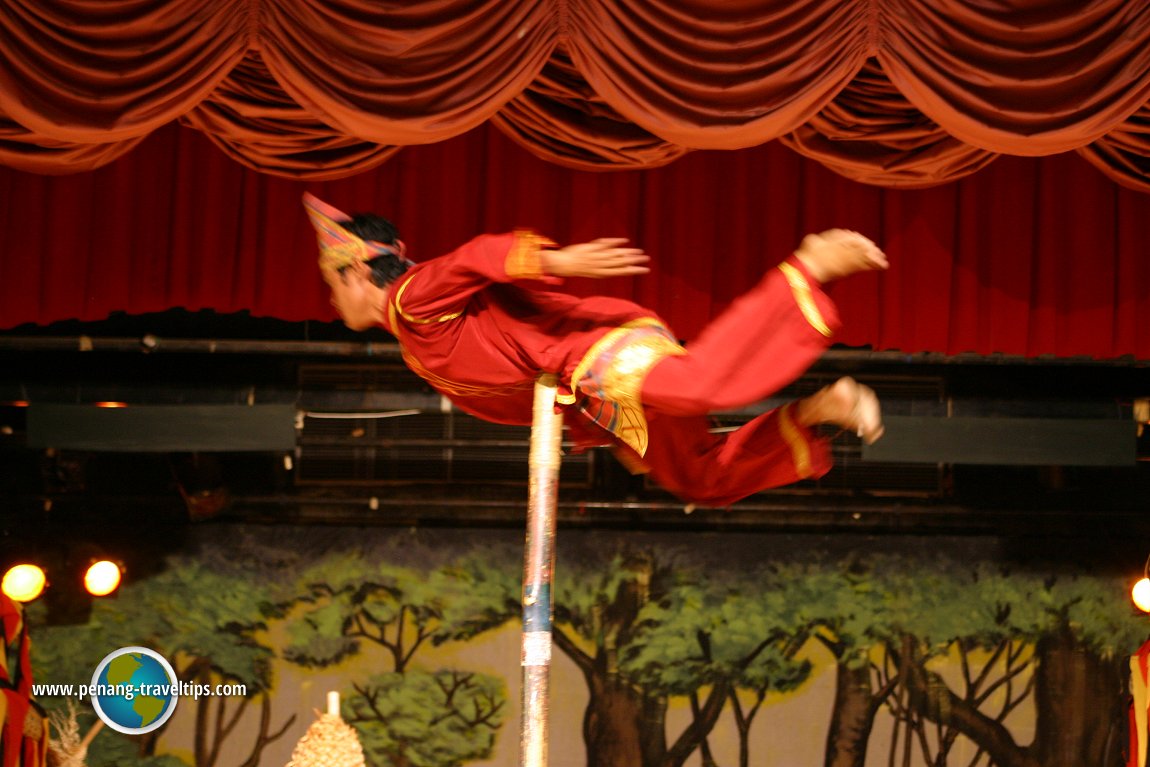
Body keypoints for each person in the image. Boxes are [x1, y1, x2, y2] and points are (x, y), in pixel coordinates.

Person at [304, 192, 886, 507]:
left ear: (357, 270)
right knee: (701, 481)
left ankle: (808, 266)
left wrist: (556, 261)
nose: (331, 302)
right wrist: (603, 433)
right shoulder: (413, 340)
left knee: (701, 386)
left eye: (332, 285)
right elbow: (517, 387)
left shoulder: (410, 297)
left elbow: (471, 258)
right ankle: (819, 411)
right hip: (590, 392)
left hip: (590, 354)